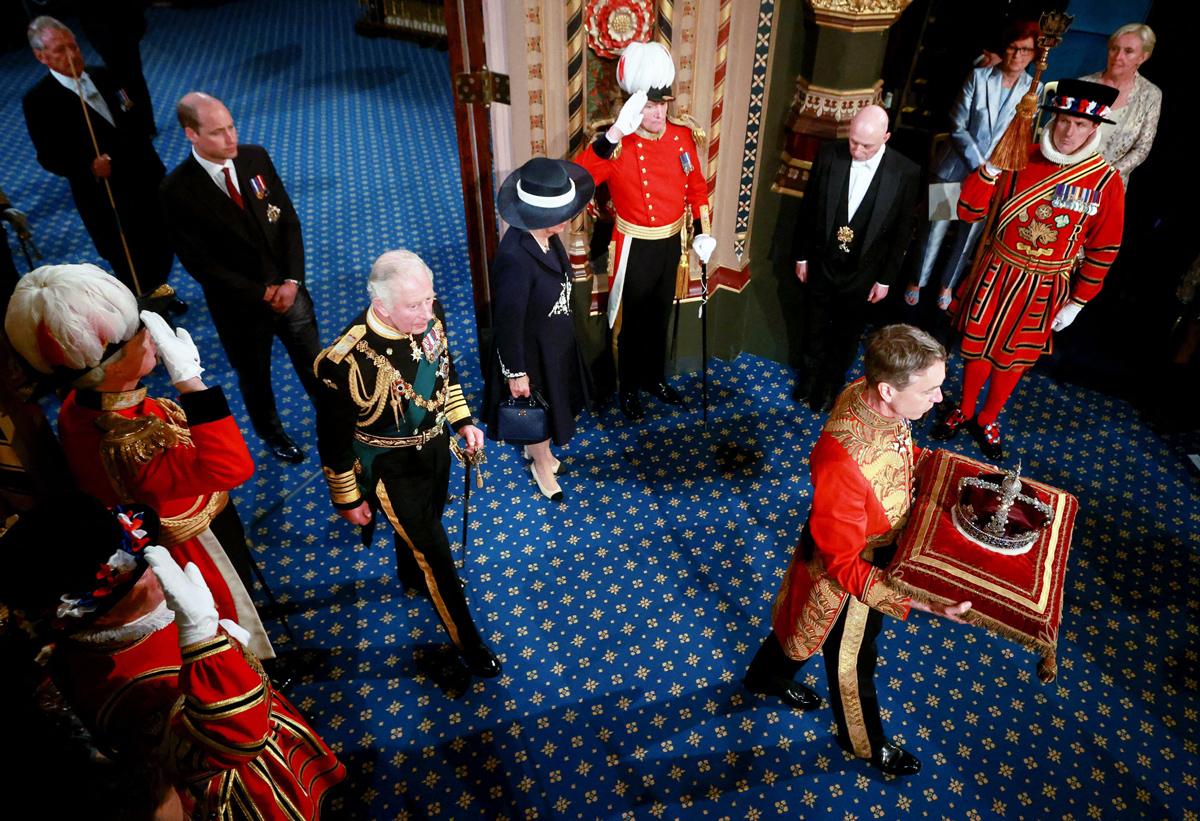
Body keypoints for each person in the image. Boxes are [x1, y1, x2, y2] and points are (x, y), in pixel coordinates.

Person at [0, 494, 345, 819]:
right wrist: (207, 642)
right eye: (138, 573)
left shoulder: (107, 635)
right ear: (99, 611)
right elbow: (238, 739)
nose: (154, 570)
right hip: (241, 784)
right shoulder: (133, 685)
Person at [3, 263, 274, 659]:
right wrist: (191, 385)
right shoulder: (126, 437)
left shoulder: (82, 406)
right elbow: (233, 468)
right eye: (139, 332)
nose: (151, 335)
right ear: (107, 365)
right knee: (229, 622)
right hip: (192, 543)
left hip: (174, 511)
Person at [744, 324, 972, 776]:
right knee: (852, 663)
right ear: (888, 389)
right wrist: (922, 603)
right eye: (930, 389)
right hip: (852, 572)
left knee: (797, 624)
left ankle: (765, 677)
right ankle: (865, 744)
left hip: (852, 540)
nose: (940, 399)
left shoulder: (867, 392)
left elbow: (893, 454)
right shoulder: (842, 461)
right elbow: (844, 562)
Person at [313, 250, 501, 680]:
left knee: (428, 521)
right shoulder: (345, 360)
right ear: (381, 306)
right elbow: (333, 439)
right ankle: (468, 644)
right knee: (437, 554)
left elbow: (444, 377)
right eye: (414, 306)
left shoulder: (432, 319)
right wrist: (347, 497)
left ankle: (408, 573)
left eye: (429, 300)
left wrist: (463, 422)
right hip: (388, 466)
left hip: (434, 449)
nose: (427, 312)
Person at [932, 79, 1125, 461]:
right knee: (978, 344)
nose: (1069, 132)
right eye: (1065, 121)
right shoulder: (1020, 155)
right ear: (1053, 119)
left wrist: (1078, 302)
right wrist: (988, 170)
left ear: (1095, 128)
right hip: (997, 268)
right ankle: (967, 408)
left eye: (1081, 125)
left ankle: (988, 417)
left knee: (1016, 355)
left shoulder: (1106, 181)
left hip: (1045, 284)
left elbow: (1105, 248)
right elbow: (965, 210)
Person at [160, 91, 321, 464]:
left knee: (314, 362)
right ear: (191, 135)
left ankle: (331, 415)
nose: (231, 138)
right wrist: (261, 293)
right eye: (218, 132)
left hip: (289, 291)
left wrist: (292, 281)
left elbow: (288, 223)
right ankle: (272, 433)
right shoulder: (176, 191)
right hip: (240, 309)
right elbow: (200, 264)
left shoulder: (254, 157)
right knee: (255, 378)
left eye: (231, 127)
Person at [576, 41, 715, 421]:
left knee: (658, 316)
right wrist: (616, 134)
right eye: (648, 106)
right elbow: (583, 177)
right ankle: (628, 389)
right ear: (634, 104)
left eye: (661, 105)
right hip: (633, 244)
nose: (657, 113)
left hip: (671, 244)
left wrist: (702, 231)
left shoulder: (682, 136)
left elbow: (697, 188)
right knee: (629, 324)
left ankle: (654, 378)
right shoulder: (616, 143)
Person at [21, 16, 180, 311]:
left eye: (74, 47)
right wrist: (87, 167)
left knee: (162, 239)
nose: (72, 56)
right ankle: (146, 308)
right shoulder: (39, 101)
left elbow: (134, 120)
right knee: (129, 255)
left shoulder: (106, 75)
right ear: (41, 56)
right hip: (105, 195)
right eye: (60, 51)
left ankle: (159, 288)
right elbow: (48, 156)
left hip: (144, 177)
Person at [791, 105, 921, 412]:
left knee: (846, 334)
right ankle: (808, 379)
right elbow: (808, 210)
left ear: (886, 138)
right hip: (823, 261)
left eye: (867, 145)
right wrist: (801, 257)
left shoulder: (906, 172)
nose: (857, 150)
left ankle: (830, 386)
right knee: (814, 325)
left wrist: (885, 279)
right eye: (853, 142)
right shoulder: (829, 155)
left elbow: (903, 232)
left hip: (865, 271)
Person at [905, 21, 1041, 310]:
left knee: (969, 237)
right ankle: (917, 280)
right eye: (1013, 47)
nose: (1018, 55)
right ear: (1004, 47)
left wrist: (991, 172)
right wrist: (980, 165)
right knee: (934, 229)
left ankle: (947, 286)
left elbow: (1020, 138)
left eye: (1026, 50)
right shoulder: (980, 77)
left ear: (1034, 54)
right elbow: (957, 124)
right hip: (953, 168)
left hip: (993, 177)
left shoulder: (1034, 89)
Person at [484, 157, 595, 501]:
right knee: (538, 409)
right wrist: (516, 374)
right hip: (530, 355)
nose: (566, 218)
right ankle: (541, 464)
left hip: (555, 343)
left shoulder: (546, 237)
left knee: (553, 406)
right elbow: (508, 322)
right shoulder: (515, 258)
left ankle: (542, 454)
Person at [1080, 23, 1161, 183]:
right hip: (1067, 176)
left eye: (1128, 51)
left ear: (1143, 57)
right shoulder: (1082, 85)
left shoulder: (1151, 95)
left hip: (1109, 185)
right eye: (1114, 48)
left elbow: (1142, 148)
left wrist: (1106, 175)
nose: (1118, 57)